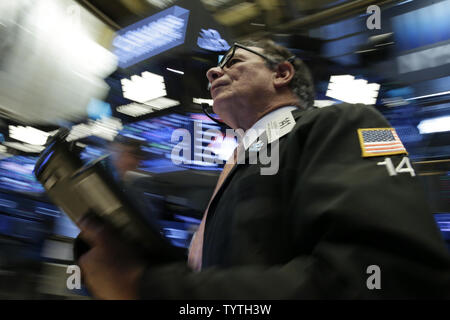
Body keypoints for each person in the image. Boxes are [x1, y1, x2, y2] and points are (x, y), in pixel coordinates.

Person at [76, 38, 450, 299]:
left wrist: (149, 287)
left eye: (233, 62)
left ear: (282, 73)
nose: (212, 73)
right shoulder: (241, 164)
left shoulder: (348, 121)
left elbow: (384, 278)